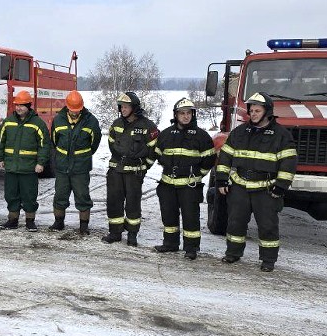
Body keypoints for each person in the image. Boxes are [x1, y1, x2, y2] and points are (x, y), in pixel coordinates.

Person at [216, 92, 297, 271]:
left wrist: (281, 186)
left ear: (267, 112)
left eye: (257, 111)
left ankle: (268, 260)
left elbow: (289, 163)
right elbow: (225, 157)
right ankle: (233, 253)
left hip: (266, 189)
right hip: (240, 186)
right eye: (251, 110)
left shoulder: (281, 135)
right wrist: (221, 180)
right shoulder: (239, 132)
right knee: (235, 222)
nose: (252, 114)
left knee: (268, 226)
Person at [152, 98, 216, 259]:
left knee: (191, 217)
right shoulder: (166, 134)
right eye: (182, 113)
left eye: (189, 113)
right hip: (167, 184)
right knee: (168, 215)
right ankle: (170, 243)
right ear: (176, 115)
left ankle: (191, 248)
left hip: (189, 186)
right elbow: (158, 154)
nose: (186, 116)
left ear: (193, 115)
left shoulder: (202, 136)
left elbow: (209, 160)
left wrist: (197, 175)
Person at [103, 91, 159, 246]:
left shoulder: (148, 126)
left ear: (134, 107)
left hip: (134, 173)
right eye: (121, 107)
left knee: (133, 204)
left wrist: (144, 166)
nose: (123, 110)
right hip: (116, 171)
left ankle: (132, 234)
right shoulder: (116, 124)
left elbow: (154, 149)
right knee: (114, 202)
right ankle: (115, 233)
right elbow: (112, 144)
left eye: (126, 107)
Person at [50, 90, 102, 234]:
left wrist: (83, 156)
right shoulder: (58, 120)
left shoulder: (91, 121)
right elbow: (54, 141)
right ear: (67, 107)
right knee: (60, 195)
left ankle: (83, 226)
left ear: (82, 107)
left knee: (83, 197)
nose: (74, 113)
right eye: (72, 110)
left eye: (77, 110)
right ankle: (58, 222)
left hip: (81, 168)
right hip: (62, 167)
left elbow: (94, 143)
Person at [0, 90, 50, 231]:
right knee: (11, 195)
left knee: (29, 196)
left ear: (28, 106)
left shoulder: (38, 123)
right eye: (17, 105)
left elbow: (44, 145)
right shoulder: (8, 122)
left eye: (21, 105)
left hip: (29, 168)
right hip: (11, 167)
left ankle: (30, 221)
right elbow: (0, 142)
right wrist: (0, 158)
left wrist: (41, 163)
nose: (18, 108)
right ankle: (12, 220)